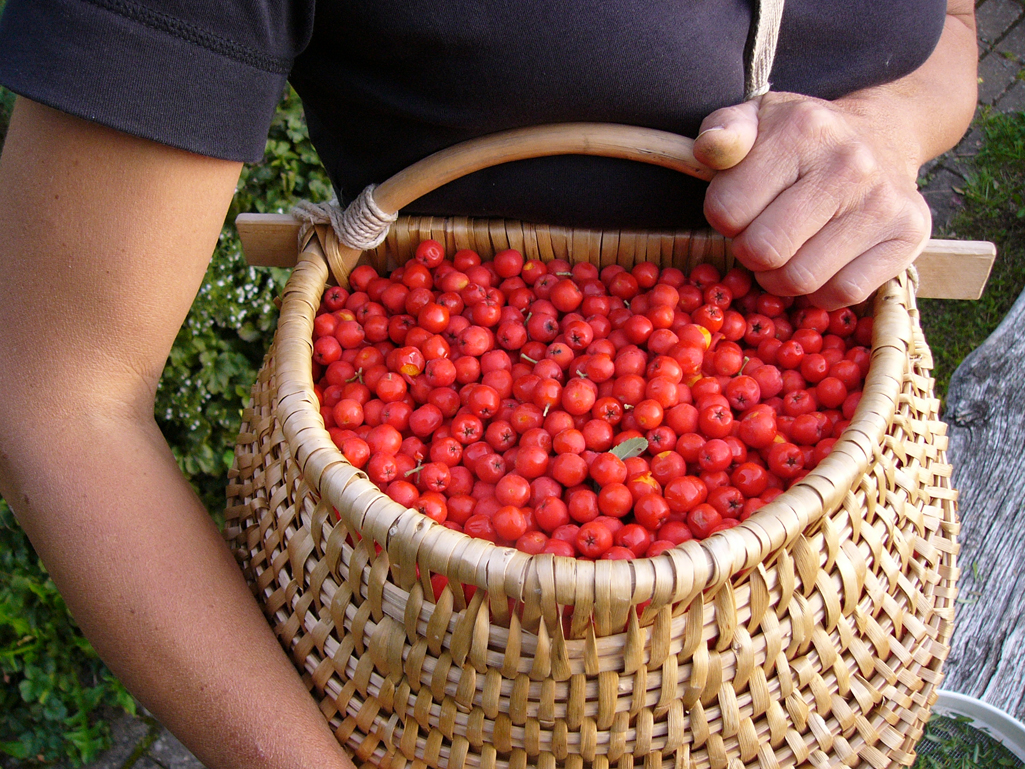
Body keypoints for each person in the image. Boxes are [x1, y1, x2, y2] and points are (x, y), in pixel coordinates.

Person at [0, 1, 977, 768]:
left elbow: (951, 29)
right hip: (446, 627)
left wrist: (880, 128)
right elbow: (60, 397)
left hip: (823, 536)